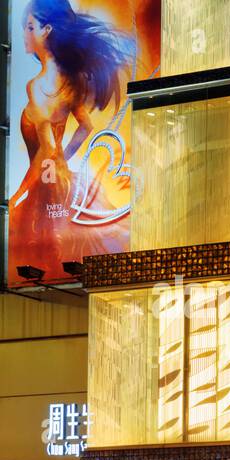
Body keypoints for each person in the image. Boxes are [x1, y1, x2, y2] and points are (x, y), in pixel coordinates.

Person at [9, 1, 134, 284]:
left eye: (29, 27)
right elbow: (84, 128)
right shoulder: (69, 81)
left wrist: (18, 195)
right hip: (60, 182)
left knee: (45, 252)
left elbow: (43, 154)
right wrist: (62, 158)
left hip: (45, 189)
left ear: (47, 30)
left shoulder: (36, 86)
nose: (24, 34)